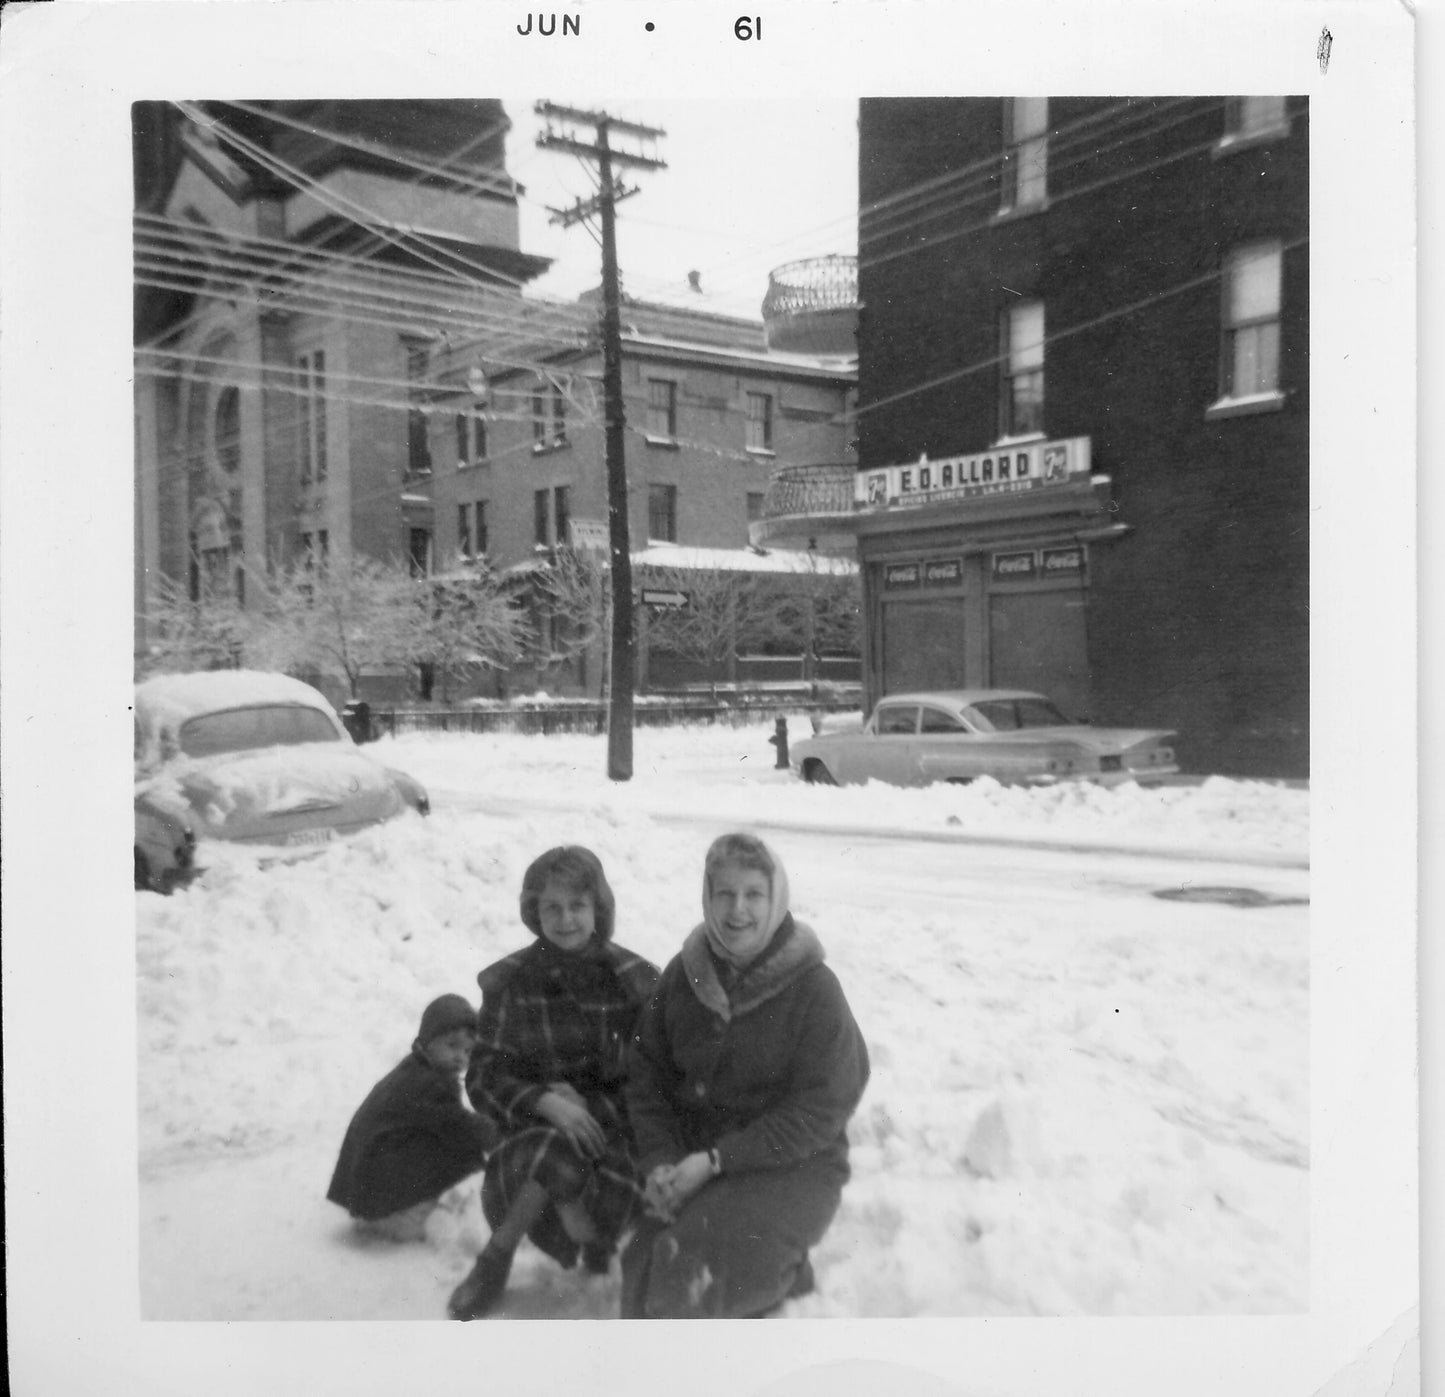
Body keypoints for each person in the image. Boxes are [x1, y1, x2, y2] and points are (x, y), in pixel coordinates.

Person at [621, 832, 869, 1319]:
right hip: (696, 1159)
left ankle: (778, 1265)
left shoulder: (814, 988)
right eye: (725, 894)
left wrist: (717, 1161)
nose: (738, 910)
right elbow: (646, 1075)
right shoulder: (684, 974)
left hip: (793, 1165)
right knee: (644, 1268)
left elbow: (821, 1110)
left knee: (693, 1276)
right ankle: (773, 1266)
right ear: (707, 897)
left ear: (775, 898)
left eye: (753, 894)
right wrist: (661, 1162)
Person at [447, 845, 660, 1321]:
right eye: (552, 907)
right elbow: (482, 1076)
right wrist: (544, 1102)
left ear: (598, 909)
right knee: (552, 1148)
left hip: (615, 1145)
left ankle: (503, 1255)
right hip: (531, 1145)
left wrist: (588, 1105)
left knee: (564, 1159)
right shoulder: (512, 983)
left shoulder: (635, 983)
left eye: (577, 906)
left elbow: (657, 1086)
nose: (565, 920)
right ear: (534, 911)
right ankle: (504, 1257)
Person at [327, 994, 495, 1241]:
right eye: (451, 1045)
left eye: (468, 1050)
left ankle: (391, 1213)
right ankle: (403, 1218)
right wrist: (500, 1135)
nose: (460, 1056)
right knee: (464, 1151)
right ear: (427, 1042)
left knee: (454, 1145)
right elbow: (460, 1126)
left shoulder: (416, 1068)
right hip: (379, 1183)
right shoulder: (428, 1084)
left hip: (367, 1178)